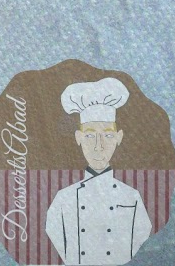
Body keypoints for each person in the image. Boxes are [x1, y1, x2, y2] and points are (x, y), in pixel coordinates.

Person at [45, 77, 154, 264]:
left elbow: (142, 244)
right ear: (78, 138)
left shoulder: (132, 197)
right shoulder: (63, 200)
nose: (98, 146)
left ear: (119, 138)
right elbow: (55, 242)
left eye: (108, 135)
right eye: (89, 135)